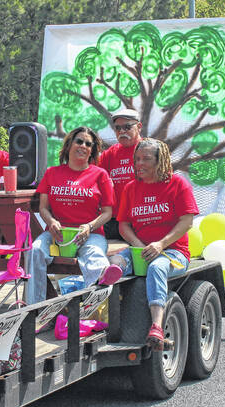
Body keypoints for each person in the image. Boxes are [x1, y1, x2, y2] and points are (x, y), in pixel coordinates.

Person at [110, 138, 199, 350]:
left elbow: (186, 222)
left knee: (157, 268)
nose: (139, 163)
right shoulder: (131, 188)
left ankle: (156, 327)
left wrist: (160, 244)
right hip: (141, 250)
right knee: (113, 264)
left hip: (173, 254)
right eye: (137, 159)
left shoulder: (178, 184)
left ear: (161, 161)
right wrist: (138, 245)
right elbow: (123, 226)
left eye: (146, 159)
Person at [25, 126, 123, 305]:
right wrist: (52, 221)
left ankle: (92, 299)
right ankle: (34, 309)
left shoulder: (100, 175)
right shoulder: (52, 173)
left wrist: (89, 226)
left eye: (88, 144)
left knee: (94, 255)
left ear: (92, 150)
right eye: (79, 141)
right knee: (35, 250)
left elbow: (108, 212)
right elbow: (43, 208)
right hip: (57, 233)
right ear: (69, 144)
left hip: (90, 234)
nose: (83, 146)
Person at [99, 108, 143, 239]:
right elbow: (93, 177)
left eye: (127, 127)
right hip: (113, 220)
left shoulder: (150, 150)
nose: (122, 132)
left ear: (139, 127)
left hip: (141, 220)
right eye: (117, 128)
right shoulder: (110, 153)